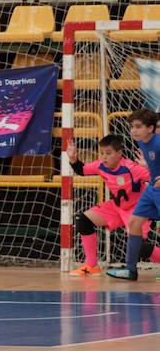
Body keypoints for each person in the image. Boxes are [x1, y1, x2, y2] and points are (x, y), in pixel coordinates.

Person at [67, 134, 160, 276]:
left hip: (137, 209)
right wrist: (73, 159)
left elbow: (155, 179)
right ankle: (91, 265)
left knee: (139, 247)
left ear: (119, 153)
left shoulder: (132, 168)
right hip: (117, 207)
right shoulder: (100, 165)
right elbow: (82, 170)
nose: (104, 157)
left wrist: (149, 168)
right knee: (84, 220)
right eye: (102, 153)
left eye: (108, 153)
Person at [108, 109, 160, 281]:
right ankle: (131, 270)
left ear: (151, 128)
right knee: (134, 223)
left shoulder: (158, 142)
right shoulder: (143, 142)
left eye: (138, 127)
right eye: (131, 127)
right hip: (152, 189)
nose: (134, 131)